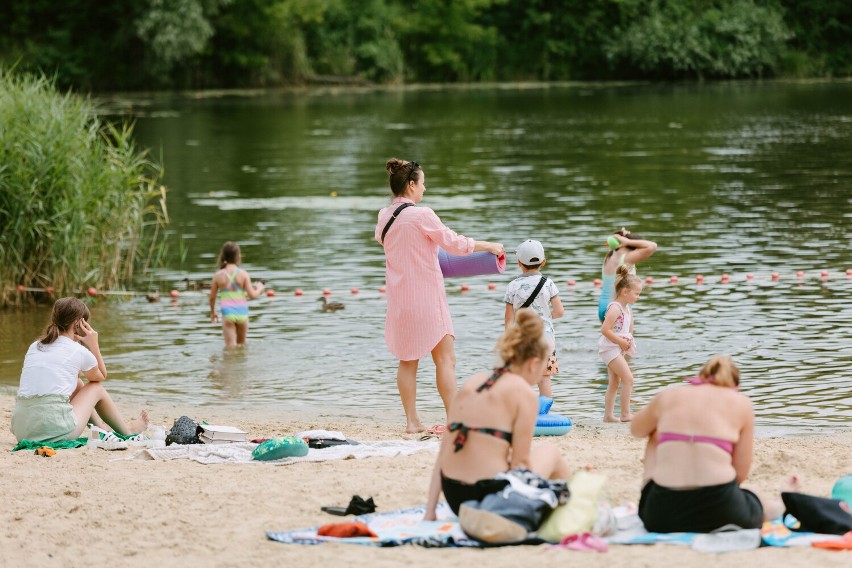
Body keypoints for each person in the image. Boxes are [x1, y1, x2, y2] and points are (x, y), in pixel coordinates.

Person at [375, 158, 504, 434]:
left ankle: (412, 422)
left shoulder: (384, 216)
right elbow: (455, 244)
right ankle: (454, 420)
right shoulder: (423, 214)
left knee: (408, 361)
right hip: (427, 299)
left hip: (399, 301)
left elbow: (391, 242)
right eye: (422, 182)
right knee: (446, 360)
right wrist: (488, 245)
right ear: (411, 185)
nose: (425, 187)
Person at [424, 308, 571, 520]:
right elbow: (521, 465)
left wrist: (430, 511)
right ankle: (574, 510)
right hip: (488, 497)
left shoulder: (472, 383)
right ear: (533, 363)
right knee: (551, 452)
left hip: (455, 496)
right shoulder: (524, 394)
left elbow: (444, 451)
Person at [630, 355, 780, 532]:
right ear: (735, 386)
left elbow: (636, 430)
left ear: (700, 377)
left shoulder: (669, 395)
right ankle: (782, 501)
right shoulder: (741, 403)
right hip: (722, 510)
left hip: (661, 515)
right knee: (756, 499)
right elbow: (740, 473)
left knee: (654, 432)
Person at [10, 297, 149, 443]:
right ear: (78, 323)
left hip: (22, 429)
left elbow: (67, 372)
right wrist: (94, 344)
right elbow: (100, 376)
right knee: (96, 388)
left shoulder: (35, 346)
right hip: (53, 430)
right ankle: (128, 431)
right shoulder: (78, 350)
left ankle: (100, 427)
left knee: (77, 383)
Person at [503, 239, 564, 397]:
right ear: (543, 262)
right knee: (544, 379)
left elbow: (509, 321)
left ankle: (524, 411)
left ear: (519, 262)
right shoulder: (549, 283)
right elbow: (559, 311)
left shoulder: (513, 286)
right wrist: (546, 319)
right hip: (546, 338)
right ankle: (545, 415)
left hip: (523, 338)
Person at [599, 268, 642, 422]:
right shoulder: (615, 308)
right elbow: (605, 329)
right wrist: (621, 342)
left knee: (614, 382)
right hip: (610, 348)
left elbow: (628, 328)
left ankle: (608, 416)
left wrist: (628, 340)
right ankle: (625, 414)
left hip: (617, 348)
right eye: (636, 293)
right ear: (625, 292)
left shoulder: (626, 308)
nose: (638, 297)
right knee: (628, 379)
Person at [209, 241, 265, 347]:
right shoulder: (243, 274)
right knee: (241, 347)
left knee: (230, 349)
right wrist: (260, 288)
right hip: (242, 313)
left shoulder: (218, 276)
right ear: (238, 256)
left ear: (223, 256)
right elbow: (252, 295)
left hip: (228, 314)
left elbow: (212, 298)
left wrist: (212, 312)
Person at [598, 228, 656, 322]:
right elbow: (652, 246)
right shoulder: (626, 258)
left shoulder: (609, 257)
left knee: (609, 336)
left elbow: (613, 243)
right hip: (618, 307)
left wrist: (620, 236)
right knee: (627, 337)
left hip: (603, 306)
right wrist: (627, 241)